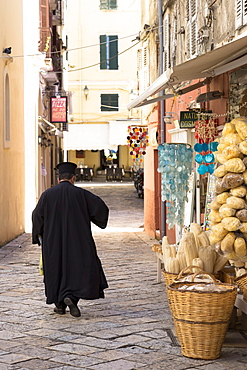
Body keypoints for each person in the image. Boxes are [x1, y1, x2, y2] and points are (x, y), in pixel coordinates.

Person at [32, 162, 109, 317]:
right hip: (78, 241)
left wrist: (37, 235)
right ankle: (71, 297)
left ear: (58, 178)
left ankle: (59, 305)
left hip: (53, 242)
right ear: (73, 178)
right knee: (77, 268)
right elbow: (101, 208)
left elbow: (36, 216)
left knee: (55, 269)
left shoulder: (47, 195)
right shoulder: (82, 194)